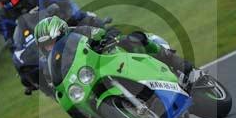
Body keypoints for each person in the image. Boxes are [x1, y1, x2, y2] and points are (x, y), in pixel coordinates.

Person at [0, 0, 111, 95]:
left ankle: (116, 46)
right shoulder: (2, 19)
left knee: (94, 26)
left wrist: (73, 16)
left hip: (62, 30)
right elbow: (13, 46)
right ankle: (60, 95)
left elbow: (64, 3)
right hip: (39, 51)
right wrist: (24, 74)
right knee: (34, 74)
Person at [33, 16, 203, 91]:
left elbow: (99, 32)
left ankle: (184, 67)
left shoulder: (79, 31)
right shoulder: (50, 66)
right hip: (92, 77)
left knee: (133, 40)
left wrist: (108, 37)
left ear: (62, 33)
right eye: (47, 46)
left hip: (109, 57)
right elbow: (55, 85)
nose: (51, 47)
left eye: (53, 41)